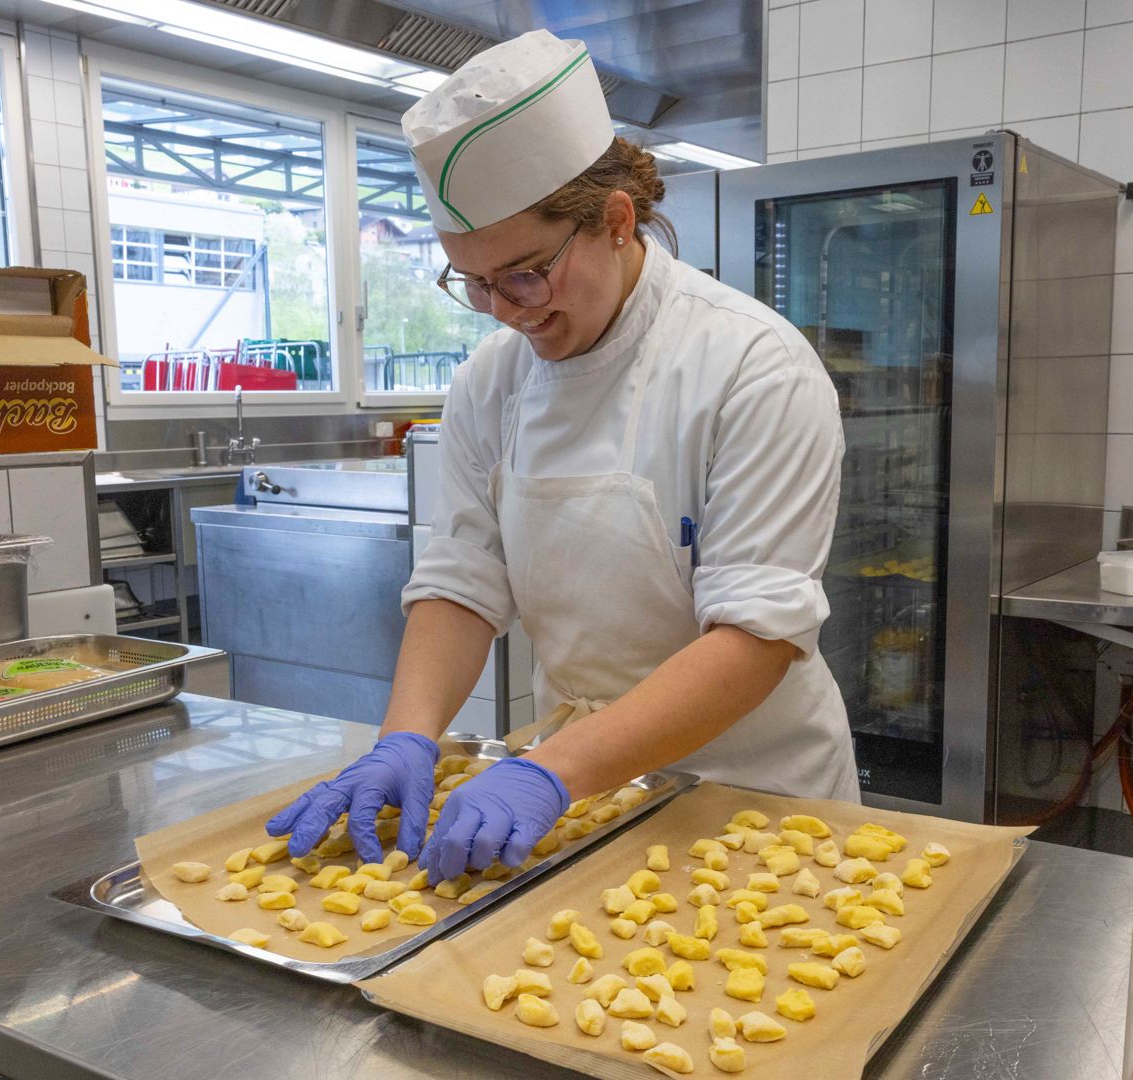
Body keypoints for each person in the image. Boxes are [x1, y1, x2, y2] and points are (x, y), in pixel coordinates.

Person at [268, 29, 857, 882]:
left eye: (525, 274)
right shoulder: (490, 382)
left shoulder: (751, 365)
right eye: (473, 283)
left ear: (615, 222)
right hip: (587, 794)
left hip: (757, 796)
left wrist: (550, 771)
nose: (505, 310)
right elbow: (464, 577)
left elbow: (757, 636)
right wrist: (406, 734)